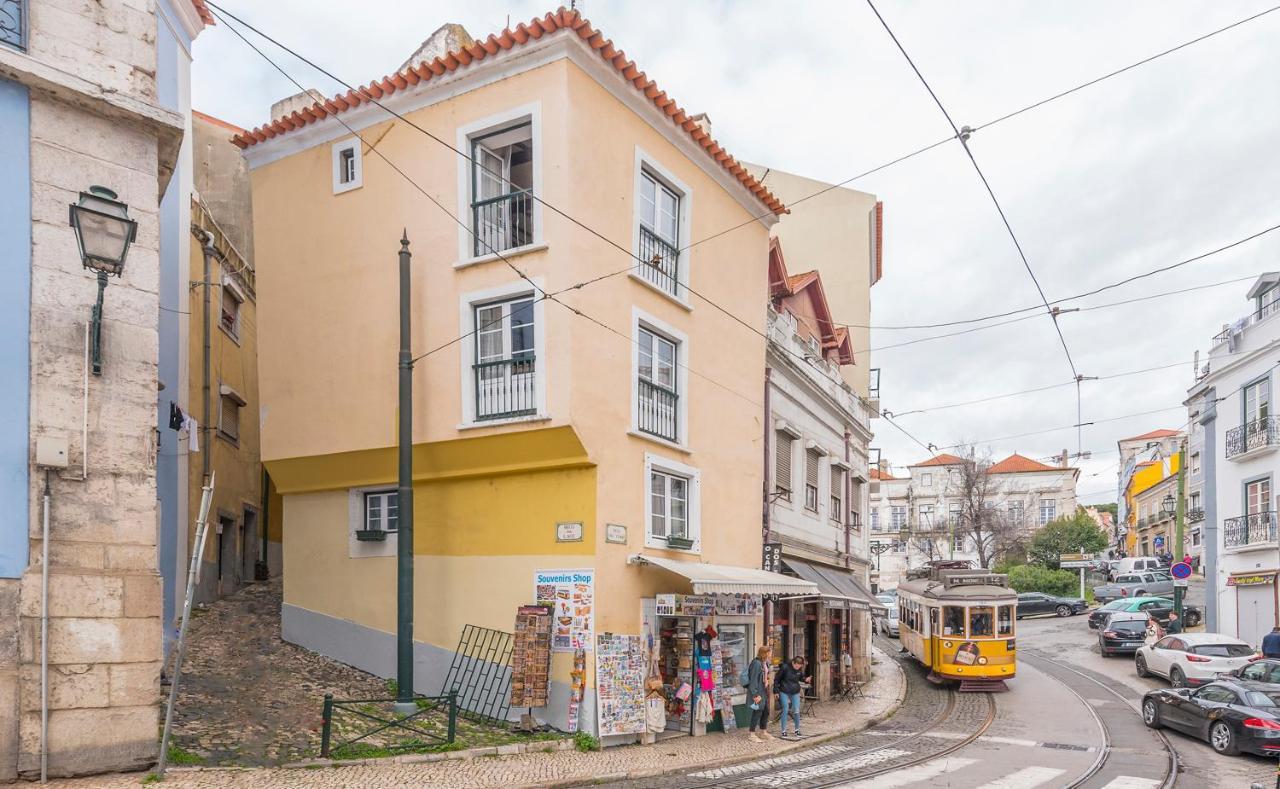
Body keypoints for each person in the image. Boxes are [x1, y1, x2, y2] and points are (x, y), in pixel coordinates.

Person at [776, 656, 810, 738]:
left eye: (799, 666)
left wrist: (806, 679)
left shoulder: (799, 669)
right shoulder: (785, 667)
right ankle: (783, 731)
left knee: (796, 710)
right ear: (793, 663)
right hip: (784, 691)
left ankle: (797, 730)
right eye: (796, 666)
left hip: (795, 691)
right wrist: (776, 691)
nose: (797, 668)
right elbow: (777, 679)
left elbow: (801, 677)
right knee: (785, 709)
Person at [746, 646, 773, 742]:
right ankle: (752, 734)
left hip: (764, 690)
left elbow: (764, 676)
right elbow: (753, 680)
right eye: (770, 652)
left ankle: (763, 732)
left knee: (766, 711)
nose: (771, 654)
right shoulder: (756, 663)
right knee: (757, 712)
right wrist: (755, 694)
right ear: (765, 653)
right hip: (758, 691)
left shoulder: (765, 663)